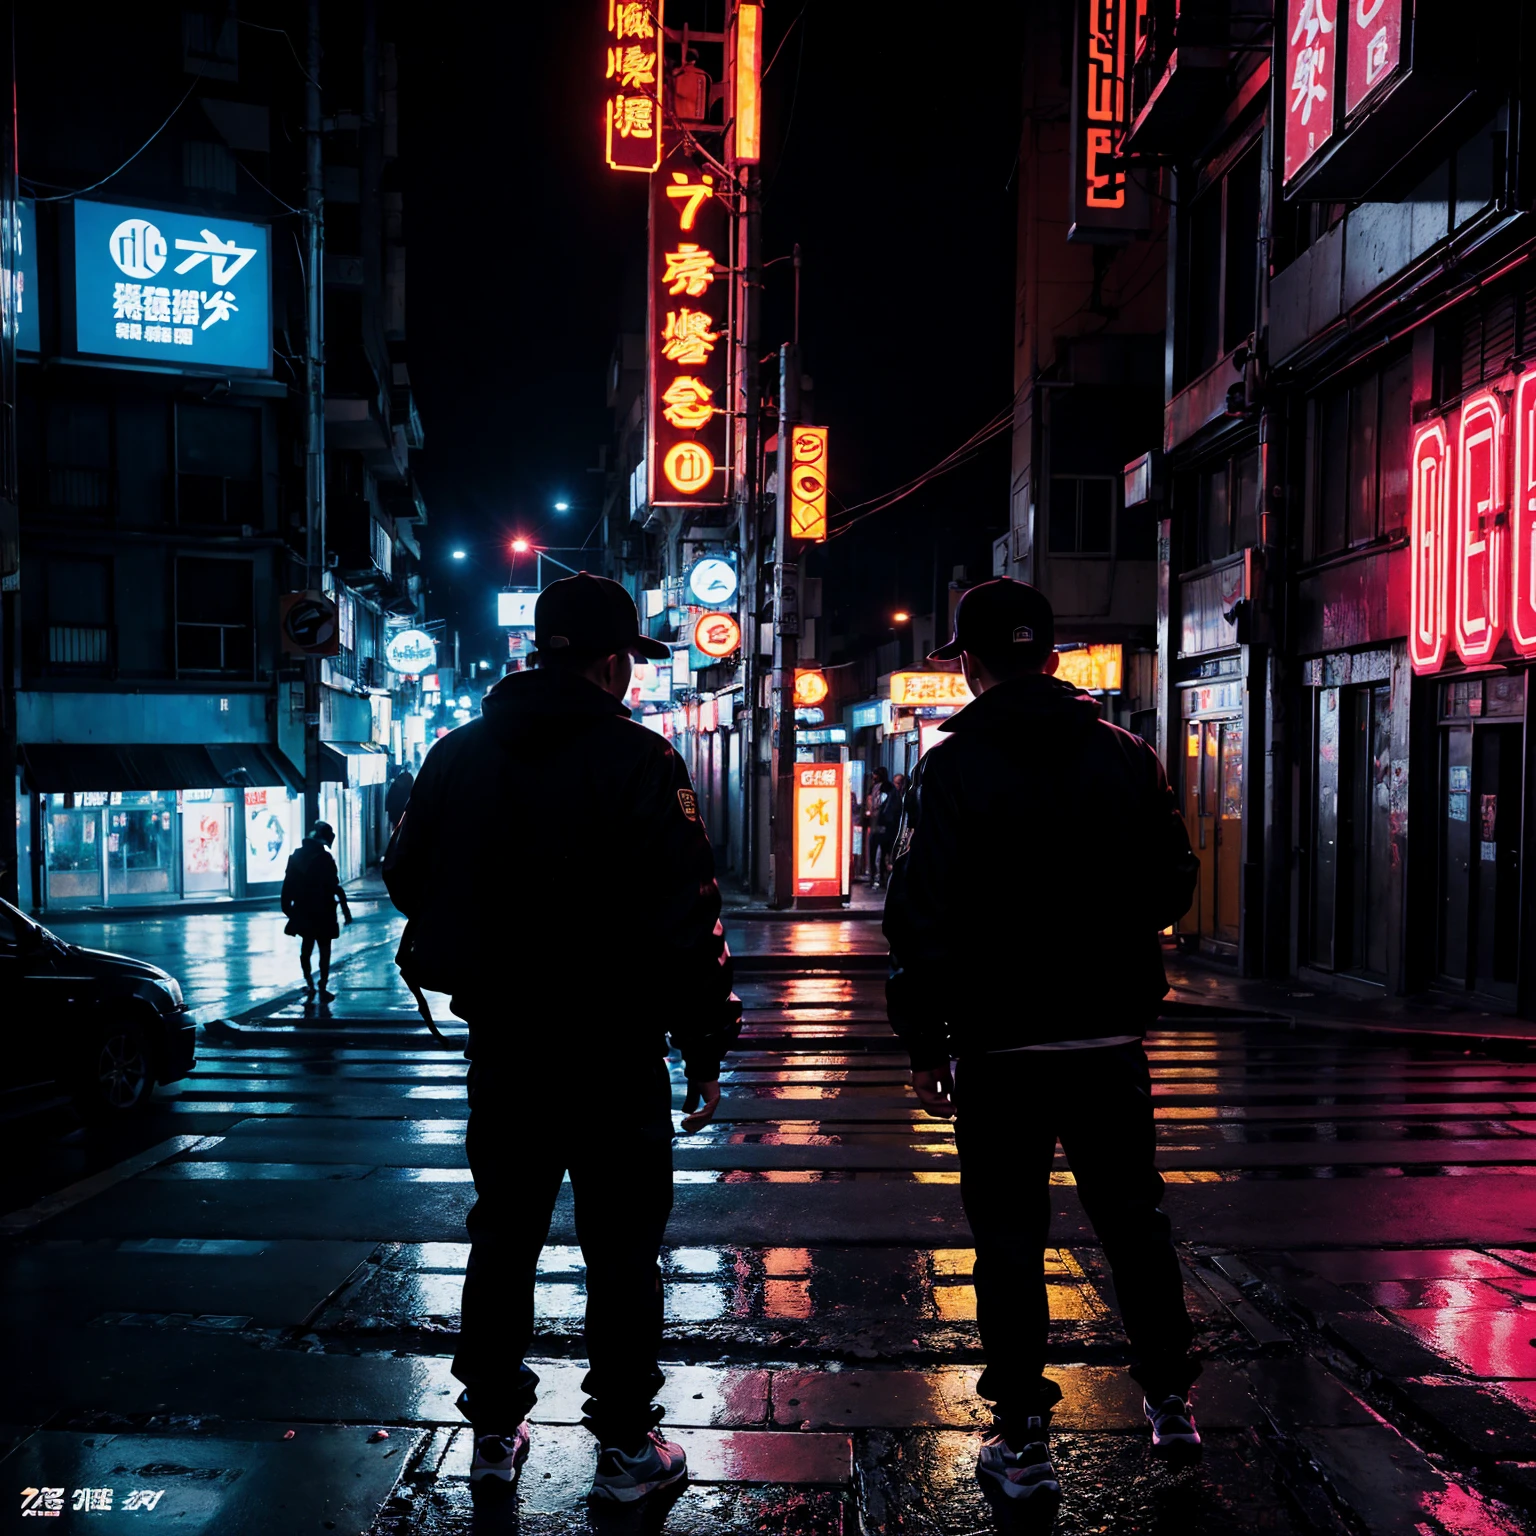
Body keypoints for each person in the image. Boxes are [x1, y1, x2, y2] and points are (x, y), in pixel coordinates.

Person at [383, 572, 740, 1506]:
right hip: (616, 1047)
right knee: (621, 1248)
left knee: (503, 1234)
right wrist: (705, 1041)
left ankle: (494, 1433)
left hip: (505, 1040)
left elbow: (407, 870)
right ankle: (625, 1447)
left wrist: (489, 937)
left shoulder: (458, 755)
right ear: (613, 660)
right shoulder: (640, 760)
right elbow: (686, 914)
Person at [883, 578, 1201, 1507]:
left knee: (1010, 1240)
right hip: (1106, 1038)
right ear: (1054, 658)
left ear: (972, 666)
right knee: (1134, 1224)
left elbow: (918, 919)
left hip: (998, 1048)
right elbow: (1173, 882)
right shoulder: (1128, 758)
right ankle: (1171, 1400)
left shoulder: (949, 771)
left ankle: (1022, 1436)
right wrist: (1102, 925)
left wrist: (922, 1040)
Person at [281, 821, 352, 1001]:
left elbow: (288, 884)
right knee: (324, 949)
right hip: (324, 910)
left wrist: (288, 908)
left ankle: (310, 983)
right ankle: (322, 984)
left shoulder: (296, 856)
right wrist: (345, 911)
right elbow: (334, 885)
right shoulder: (325, 859)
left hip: (304, 909)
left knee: (306, 947)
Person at [385, 768, 415, 833]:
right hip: (403, 813)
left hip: (395, 813)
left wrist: (387, 808)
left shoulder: (394, 786)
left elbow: (389, 799)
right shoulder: (409, 788)